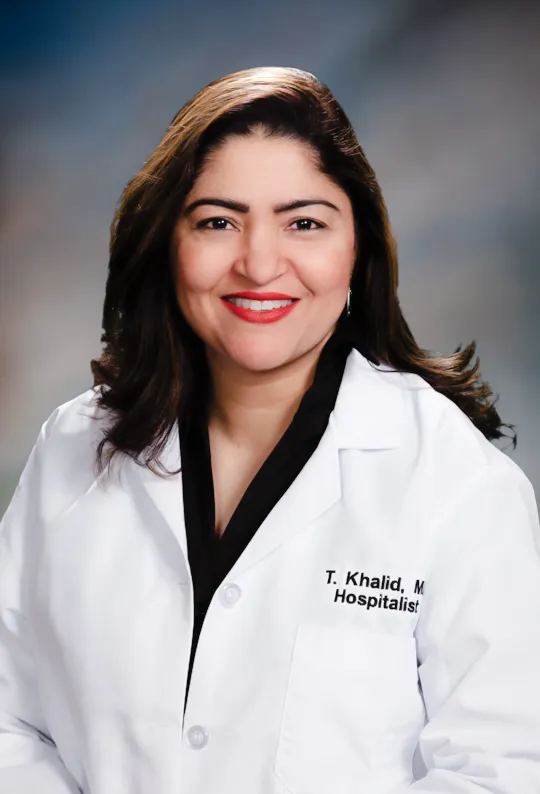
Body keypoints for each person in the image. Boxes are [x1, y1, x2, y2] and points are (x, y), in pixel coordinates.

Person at [0, 66, 539, 794]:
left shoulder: (456, 484)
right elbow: (8, 723)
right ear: (168, 243)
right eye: (217, 222)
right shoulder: (71, 447)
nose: (258, 264)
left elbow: (498, 773)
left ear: (358, 250)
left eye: (304, 223)